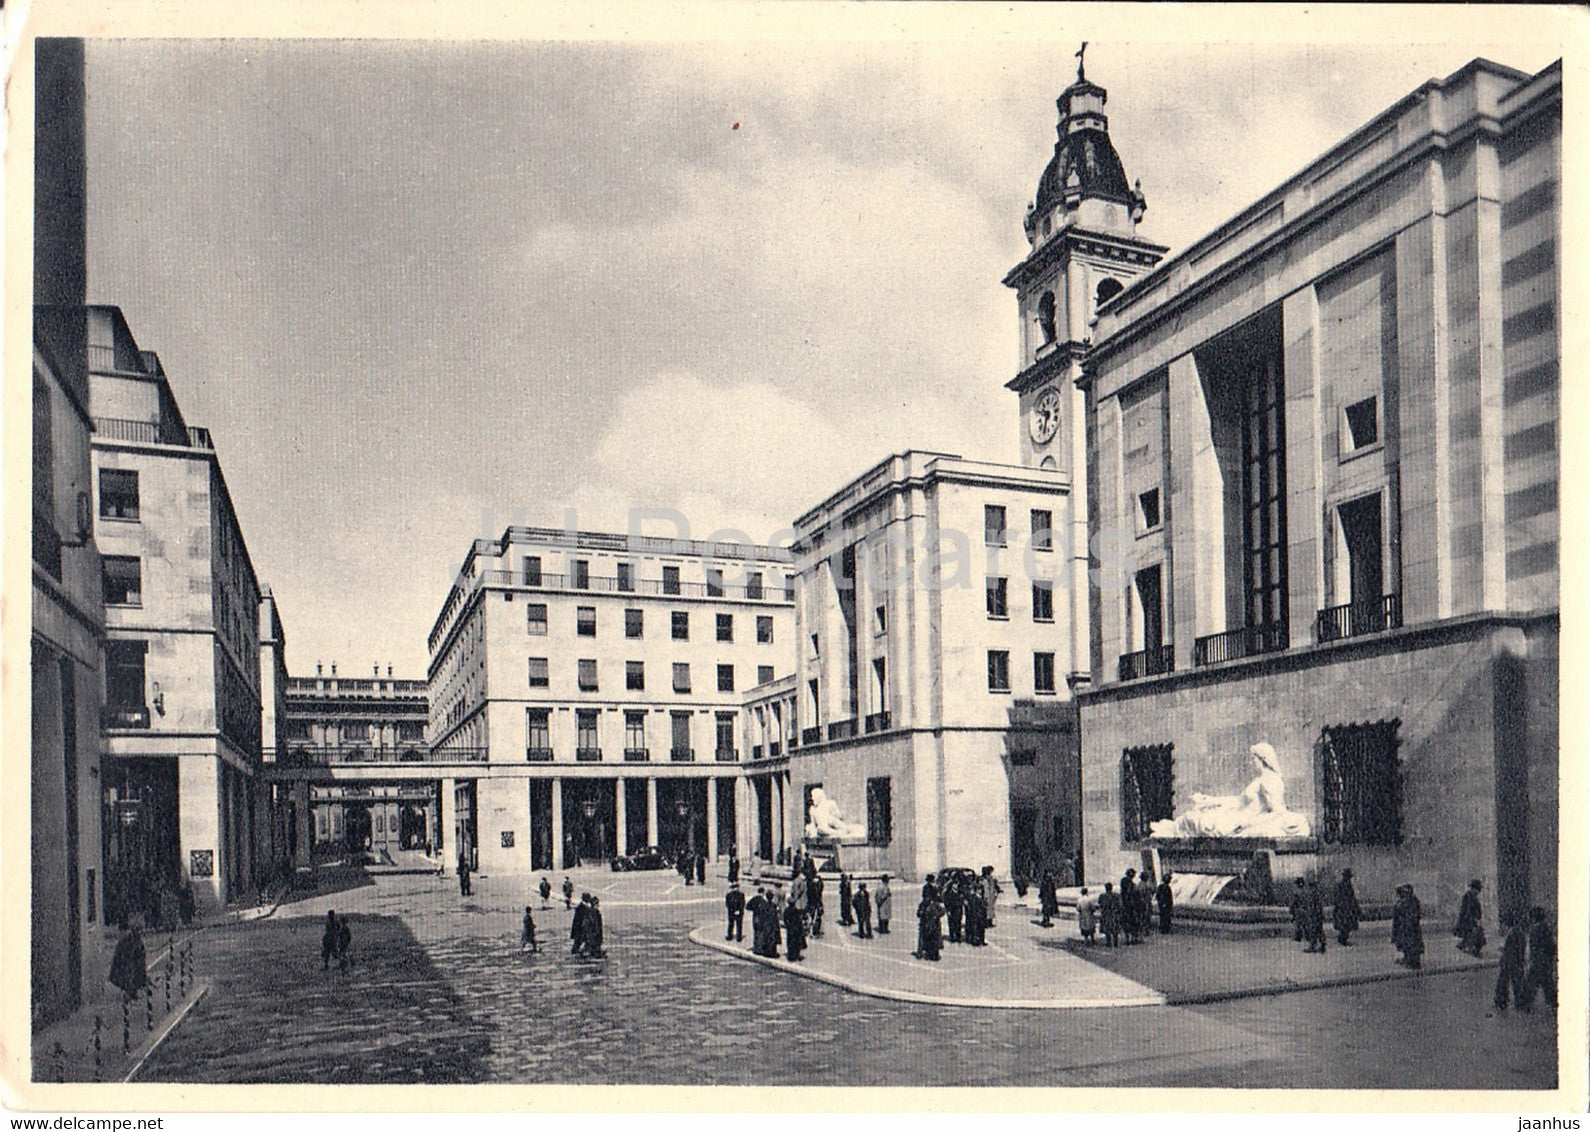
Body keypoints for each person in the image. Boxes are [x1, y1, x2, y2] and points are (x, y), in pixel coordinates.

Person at [1149, 741, 1310, 838]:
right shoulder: (1258, 781)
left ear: (1263, 759)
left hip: (1240, 819)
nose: (1252, 762)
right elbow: (1238, 801)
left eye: (1254, 758)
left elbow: (1277, 811)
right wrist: (1209, 800)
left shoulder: (1269, 781)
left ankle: (1172, 829)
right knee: (1197, 815)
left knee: (1200, 821)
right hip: (1235, 814)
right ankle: (1173, 828)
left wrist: (1247, 824)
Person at [1494, 912, 1528, 1012]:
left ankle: (1502, 1001)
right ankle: (1519, 1002)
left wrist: (1503, 951)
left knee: (1506, 982)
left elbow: (1512, 949)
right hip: (1515, 962)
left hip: (1510, 962)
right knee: (1516, 982)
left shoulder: (1513, 933)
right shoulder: (1519, 932)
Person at [1524, 906, 1557, 1009]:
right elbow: (1550, 945)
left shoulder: (1534, 930)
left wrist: (1532, 959)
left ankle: (1525, 1003)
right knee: (1547, 982)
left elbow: (1534, 947)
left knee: (1533, 983)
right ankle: (1552, 1002)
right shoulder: (1545, 928)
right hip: (1544, 960)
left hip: (1538, 960)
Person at [109, 920, 149, 999]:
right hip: (128, 965)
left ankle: (130, 991)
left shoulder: (130, 941)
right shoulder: (128, 941)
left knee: (129, 975)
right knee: (129, 975)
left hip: (129, 965)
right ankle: (130, 990)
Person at [1392, 884, 1424, 968]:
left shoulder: (1403, 903)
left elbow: (1398, 919)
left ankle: (1411, 961)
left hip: (1407, 929)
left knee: (1408, 944)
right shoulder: (1414, 901)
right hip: (1411, 929)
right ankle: (1412, 960)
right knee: (1410, 945)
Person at [1454, 879, 1486, 957]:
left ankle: (1465, 946)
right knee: (1474, 935)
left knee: (1472, 936)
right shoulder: (1467, 897)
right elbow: (1466, 910)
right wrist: (1472, 919)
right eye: (1477, 889)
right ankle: (1472, 950)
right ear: (1473, 889)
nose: (1478, 892)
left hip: (1471, 921)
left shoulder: (1473, 897)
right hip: (1467, 921)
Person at [1332, 869, 1361, 946]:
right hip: (1345, 909)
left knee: (1345, 925)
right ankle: (1342, 939)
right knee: (1346, 925)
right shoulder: (1344, 885)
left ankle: (1343, 939)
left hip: (1344, 908)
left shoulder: (1344, 885)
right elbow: (1350, 897)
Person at [915, 887, 944, 961]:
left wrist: (936, 916)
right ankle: (925, 952)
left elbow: (942, 911)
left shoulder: (935, 904)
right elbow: (918, 913)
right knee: (926, 939)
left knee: (934, 940)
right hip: (926, 925)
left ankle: (934, 954)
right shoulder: (923, 904)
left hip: (934, 925)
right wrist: (921, 913)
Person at [1302, 878, 1327, 953]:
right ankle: (1321, 945)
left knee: (1314, 930)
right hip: (1316, 915)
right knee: (1319, 930)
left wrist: (1312, 913)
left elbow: (1315, 907)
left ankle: (1313, 946)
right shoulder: (1316, 895)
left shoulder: (1314, 895)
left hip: (1314, 915)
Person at [782, 892, 806, 962]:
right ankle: (797, 954)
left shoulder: (786, 910)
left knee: (790, 941)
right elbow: (801, 917)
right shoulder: (796, 911)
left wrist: (786, 925)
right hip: (797, 928)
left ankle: (790, 954)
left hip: (790, 928)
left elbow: (785, 919)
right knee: (797, 942)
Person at [1120, 869, 1140, 944]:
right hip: (1130, 905)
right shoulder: (1130, 883)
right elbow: (1131, 893)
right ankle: (1133, 938)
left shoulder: (1123, 881)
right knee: (1133, 921)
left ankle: (1127, 938)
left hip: (1124, 904)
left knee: (1125, 921)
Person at [1099, 881, 1122, 948]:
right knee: (1115, 928)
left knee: (1107, 928)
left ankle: (1108, 942)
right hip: (1114, 913)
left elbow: (1100, 904)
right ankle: (1115, 942)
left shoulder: (1102, 896)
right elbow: (1120, 905)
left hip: (1106, 914)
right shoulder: (1117, 895)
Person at [964, 883, 987, 947]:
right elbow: (972, 908)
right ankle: (975, 940)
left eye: (980, 890)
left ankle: (981, 940)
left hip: (981, 915)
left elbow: (984, 907)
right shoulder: (974, 898)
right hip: (975, 915)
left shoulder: (982, 898)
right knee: (975, 928)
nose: (980, 891)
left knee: (981, 928)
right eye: (978, 890)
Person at [943, 877, 965, 944]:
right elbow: (946, 902)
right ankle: (952, 937)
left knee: (958, 923)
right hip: (951, 909)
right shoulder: (948, 893)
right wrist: (948, 910)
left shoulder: (960, 892)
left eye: (957, 884)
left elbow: (962, 900)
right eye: (954, 884)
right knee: (951, 923)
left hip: (958, 909)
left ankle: (958, 936)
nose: (956, 885)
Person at [1289, 878, 1307, 943]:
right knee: (1303, 924)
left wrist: (1291, 912)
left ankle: (1298, 936)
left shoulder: (1296, 892)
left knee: (1298, 924)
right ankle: (1306, 936)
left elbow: (1292, 903)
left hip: (1298, 910)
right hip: (1303, 910)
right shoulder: (1305, 892)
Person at [808, 870, 825, 938]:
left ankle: (813, 931)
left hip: (813, 902)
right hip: (816, 902)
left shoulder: (810, 882)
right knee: (816, 917)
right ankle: (814, 931)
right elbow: (819, 892)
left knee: (813, 917)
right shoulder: (817, 882)